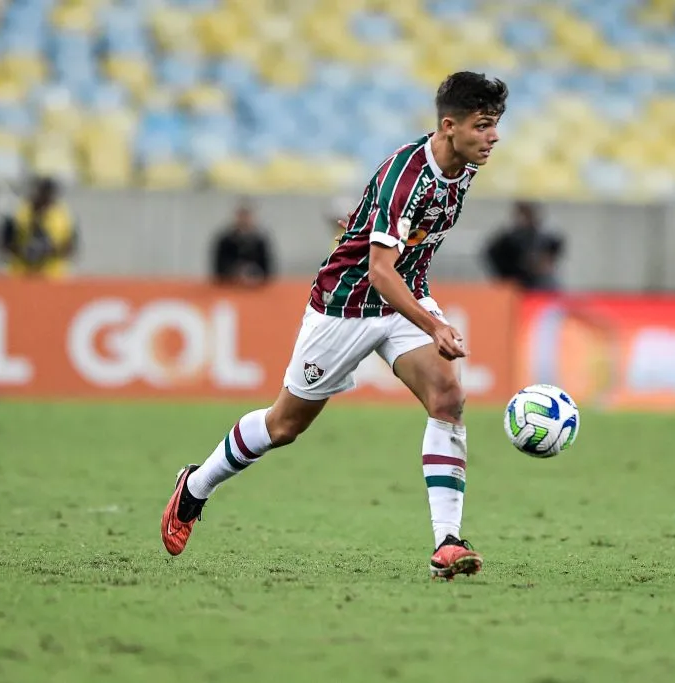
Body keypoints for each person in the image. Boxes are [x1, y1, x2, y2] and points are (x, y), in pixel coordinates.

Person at [161, 72, 508, 581]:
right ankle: (194, 488)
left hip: (400, 299)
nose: (494, 136)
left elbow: (395, 250)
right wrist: (433, 325)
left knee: (448, 398)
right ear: (449, 126)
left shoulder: (463, 164)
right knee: (284, 426)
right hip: (345, 306)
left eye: (496, 124)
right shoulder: (408, 177)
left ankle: (448, 542)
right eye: (483, 125)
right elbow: (378, 270)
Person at [0, 176, 78, 278]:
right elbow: (5, 243)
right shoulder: (19, 212)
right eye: (42, 194)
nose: (44, 199)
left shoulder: (63, 215)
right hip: (21, 274)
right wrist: (24, 251)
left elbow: (71, 246)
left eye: (48, 195)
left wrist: (50, 251)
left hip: (53, 276)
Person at [483, 200, 564, 290]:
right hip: (517, 283)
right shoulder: (510, 238)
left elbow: (554, 246)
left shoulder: (544, 236)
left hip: (538, 285)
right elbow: (493, 253)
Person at [211, 199, 276, 286]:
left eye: (247, 215)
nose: (244, 219)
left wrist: (254, 275)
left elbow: (268, 270)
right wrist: (235, 272)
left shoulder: (260, 241)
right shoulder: (225, 240)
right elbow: (218, 268)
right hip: (229, 288)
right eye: (241, 214)